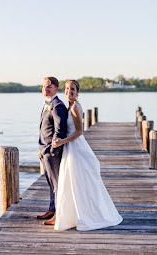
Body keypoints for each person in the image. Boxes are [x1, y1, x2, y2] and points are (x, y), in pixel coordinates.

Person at [51, 80, 123, 230]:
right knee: (70, 181)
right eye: (67, 89)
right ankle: (71, 217)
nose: (69, 91)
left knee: (79, 181)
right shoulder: (68, 106)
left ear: (77, 92)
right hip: (69, 147)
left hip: (76, 146)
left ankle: (88, 215)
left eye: (72, 89)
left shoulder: (76, 107)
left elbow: (79, 132)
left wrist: (62, 141)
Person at [37, 76, 68, 225]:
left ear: (56, 88)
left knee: (57, 184)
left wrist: (51, 150)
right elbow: (43, 129)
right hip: (44, 150)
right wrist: (40, 149)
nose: (46, 89)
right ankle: (52, 208)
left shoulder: (58, 106)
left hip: (51, 151)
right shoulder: (47, 104)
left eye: (49, 86)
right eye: (44, 86)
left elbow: (59, 131)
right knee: (50, 182)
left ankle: (59, 214)